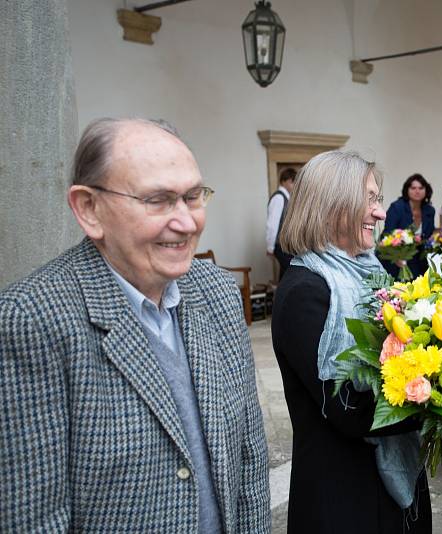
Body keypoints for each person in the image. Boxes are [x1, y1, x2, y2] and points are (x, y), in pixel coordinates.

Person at [0, 118, 270, 532]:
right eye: (159, 200)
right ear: (89, 209)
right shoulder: (32, 319)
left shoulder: (216, 291)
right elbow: (33, 519)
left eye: (193, 196)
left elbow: (249, 459)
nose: (186, 222)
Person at [271, 151, 432, 534]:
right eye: (370, 200)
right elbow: (348, 409)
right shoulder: (304, 292)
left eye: (379, 200)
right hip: (345, 498)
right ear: (332, 205)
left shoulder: (371, 273)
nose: (379, 214)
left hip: (395, 492)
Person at [382, 173, 435, 278]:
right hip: (395, 259)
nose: (417, 191)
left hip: (419, 260)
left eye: (421, 188)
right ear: (407, 189)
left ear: (426, 190)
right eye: (413, 188)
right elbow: (388, 233)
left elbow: (427, 235)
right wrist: (397, 256)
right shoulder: (397, 207)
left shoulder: (429, 210)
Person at [267, 167, 297, 280]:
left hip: (285, 245)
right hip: (280, 245)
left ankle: (280, 297)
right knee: (292, 272)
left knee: (285, 275)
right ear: (284, 181)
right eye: (292, 182)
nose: (293, 185)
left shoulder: (286, 198)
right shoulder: (279, 198)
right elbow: (272, 224)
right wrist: (270, 247)